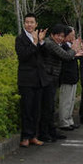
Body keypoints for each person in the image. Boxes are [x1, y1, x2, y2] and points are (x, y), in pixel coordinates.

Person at [39, 24, 83, 142]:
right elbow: (66, 56)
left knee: (51, 106)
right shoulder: (50, 44)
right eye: (58, 36)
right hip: (48, 78)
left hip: (53, 78)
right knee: (48, 107)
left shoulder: (54, 43)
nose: (60, 38)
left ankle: (51, 131)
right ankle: (45, 133)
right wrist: (74, 49)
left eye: (62, 36)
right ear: (52, 35)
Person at [15, 13, 49, 148]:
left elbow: (45, 55)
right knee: (27, 109)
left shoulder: (38, 39)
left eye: (32, 22)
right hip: (26, 80)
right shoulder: (20, 39)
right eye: (27, 22)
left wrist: (41, 42)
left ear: (36, 24)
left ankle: (34, 135)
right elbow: (23, 56)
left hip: (39, 79)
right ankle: (25, 136)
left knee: (36, 109)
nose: (29, 25)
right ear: (24, 24)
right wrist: (34, 43)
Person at [57, 27, 79, 131]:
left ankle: (69, 119)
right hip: (66, 77)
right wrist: (75, 50)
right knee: (65, 101)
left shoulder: (70, 46)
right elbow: (67, 58)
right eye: (72, 35)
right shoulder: (63, 46)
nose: (73, 37)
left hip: (73, 77)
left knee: (71, 101)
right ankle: (63, 121)